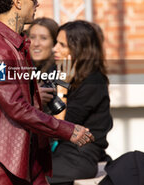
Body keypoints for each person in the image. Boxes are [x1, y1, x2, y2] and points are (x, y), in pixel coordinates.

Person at [0, 0, 94, 185]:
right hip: (3, 164)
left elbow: (14, 100)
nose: (37, 4)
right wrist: (67, 129)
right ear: (18, 2)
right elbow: (15, 107)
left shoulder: (15, 45)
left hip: (27, 159)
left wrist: (35, 94)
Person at [47, 20, 113, 185]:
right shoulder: (58, 74)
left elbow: (60, 126)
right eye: (56, 43)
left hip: (77, 157)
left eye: (62, 45)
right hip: (56, 152)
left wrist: (62, 89)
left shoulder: (93, 82)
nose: (55, 48)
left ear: (78, 50)